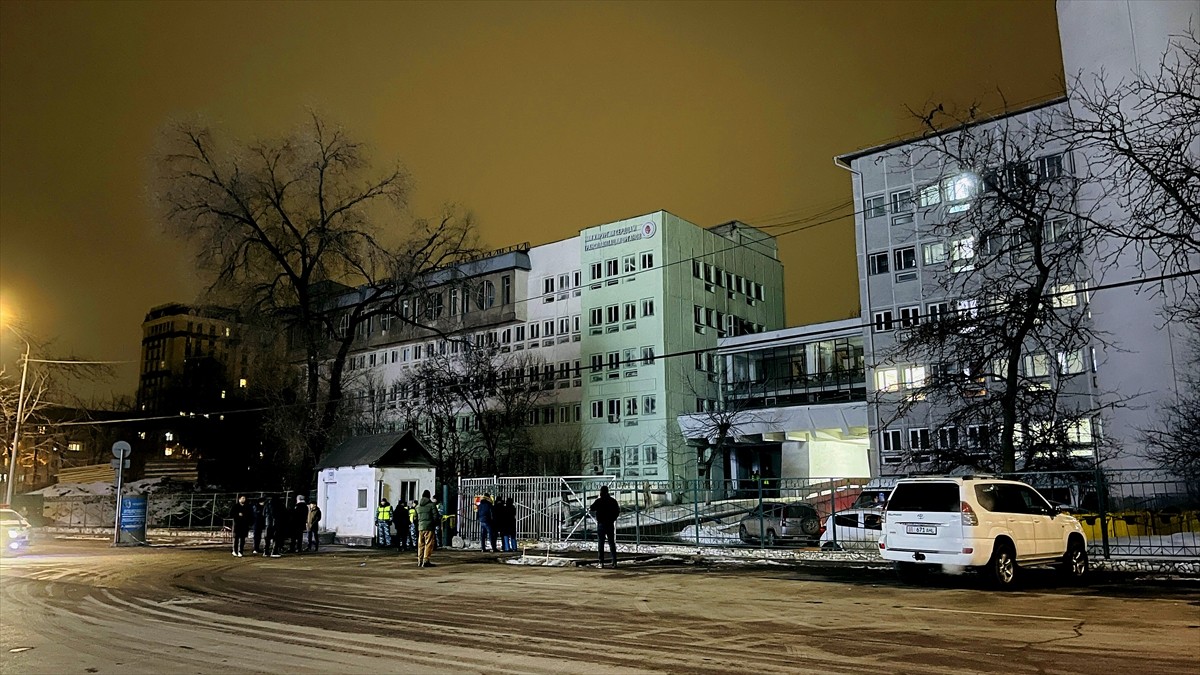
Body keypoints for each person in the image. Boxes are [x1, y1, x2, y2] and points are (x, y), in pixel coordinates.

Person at [589, 485, 620, 568]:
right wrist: (613, 518)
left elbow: (592, 508)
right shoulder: (612, 501)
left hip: (601, 523)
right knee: (611, 542)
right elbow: (617, 511)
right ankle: (614, 561)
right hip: (610, 523)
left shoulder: (599, 501)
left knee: (601, 543)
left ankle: (601, 562)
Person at [415, 490, 439, 568]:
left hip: (420, 527)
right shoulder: (432, 505)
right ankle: (426, 560)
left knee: (420, 544)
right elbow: (435, 516)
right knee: (428, 543)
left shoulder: (418, 506)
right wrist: (434, 524)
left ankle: (419, 560)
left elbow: (416, 518)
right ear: (429, 496)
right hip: (429, 527)